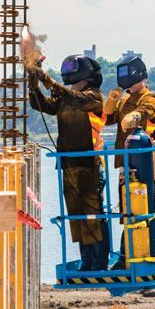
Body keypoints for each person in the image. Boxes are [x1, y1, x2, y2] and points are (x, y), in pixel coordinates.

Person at [28, 54, 109, 271]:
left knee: (91, 213)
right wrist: (33, 79)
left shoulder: (94, 97)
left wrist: (47, 80)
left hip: (89, 163)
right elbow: (41, 104)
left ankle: (98, 261)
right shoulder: (67, 96)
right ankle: (87, 261)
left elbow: (72, 98)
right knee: (76, 214)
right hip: (69, 163)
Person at [104, 54, 155, 268]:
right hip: (127, 162)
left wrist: (135, 117)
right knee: (128, 208)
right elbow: (108, 120)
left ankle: (138, 253)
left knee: (141, 208)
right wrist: (111, 103)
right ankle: (130, 253)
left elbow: (148, 111)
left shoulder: (149, 97)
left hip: (145, 162)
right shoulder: (125, 100)